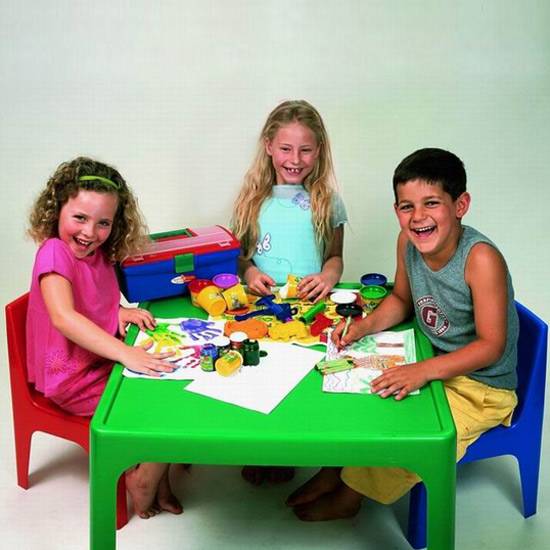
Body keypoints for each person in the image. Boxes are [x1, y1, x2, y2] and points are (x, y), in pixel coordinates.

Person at [286, 147, 518, 521]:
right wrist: (361, 327)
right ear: (396, 210)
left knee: (407, 431)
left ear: (460, 205)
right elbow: (400, 299)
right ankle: (336, 470)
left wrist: (421, 371)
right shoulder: (406, 242)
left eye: (431, 203)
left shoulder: (480, 259)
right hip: (433, 358)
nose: (418, 217)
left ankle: (351, 495)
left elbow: (492, 346)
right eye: (407, 206)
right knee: (369, 395)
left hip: (482, 389)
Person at [27, 157, 182, 519]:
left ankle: (156, 477)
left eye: (103, 223)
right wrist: (126, 354)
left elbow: (92, 302)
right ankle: (142, 479)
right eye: (79, 218)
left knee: (170, 386)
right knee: (158, 404)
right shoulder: (54, 252)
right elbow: (64, 317)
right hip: (71, 376)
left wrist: (119, 312)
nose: (89, 232)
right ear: (57, 209)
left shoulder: (98, 254)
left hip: (99, 360)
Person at [232, 99, 348, 484]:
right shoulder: (251, 200)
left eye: (305, 150)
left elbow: (335, 257)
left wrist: (328, 276)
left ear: (319, 150)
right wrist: (250, 271)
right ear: (269, 146)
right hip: (262, 309)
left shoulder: (327, 201)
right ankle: (262, 448)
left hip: (311, 306)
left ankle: (300, 447)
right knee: (261, 375)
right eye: (285, 148)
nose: (295, 160)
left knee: (304, 379)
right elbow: (241, 259)